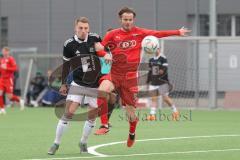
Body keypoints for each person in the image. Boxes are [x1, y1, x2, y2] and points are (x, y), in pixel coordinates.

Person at [97, 7, 191, 147]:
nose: (128, 22)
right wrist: (106, 54)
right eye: (125, 19)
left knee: (131, 114)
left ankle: (132, 133)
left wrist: (177, 32)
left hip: (130, 79)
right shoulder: (112, 34)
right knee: (102, 91)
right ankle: (104, 125)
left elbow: (158, 34)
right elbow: (99, 49)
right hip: (115, 74)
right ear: (120, 19)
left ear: (133, 20)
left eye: (130, 20)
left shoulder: (140, 33)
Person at [47, 17, 111, 155]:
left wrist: (106, 53)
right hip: (78, 83)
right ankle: (56, 143)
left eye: (86, 28)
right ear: (75, 28)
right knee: (68, 113)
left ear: (89, 28)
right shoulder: (69, 44)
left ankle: (83, 142)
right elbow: (66, 65)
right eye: (81, 28)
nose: (83, 31)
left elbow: (104, 52)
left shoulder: (95, 38)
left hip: (95, 84)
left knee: (92, 116)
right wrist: (64, 83)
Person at [146, 39, 179, 121]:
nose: (156, 50)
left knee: (165, 98)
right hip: (153, 82)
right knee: (153, 98)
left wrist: (155, 70)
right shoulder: (151, 60)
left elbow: (162, 71)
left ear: (159, 49)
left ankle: (175, 112)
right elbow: (150, 72)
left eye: (157, 48)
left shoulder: (163, 58)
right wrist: (147, 81)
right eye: (154, 49)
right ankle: (152, 115)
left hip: (162, 82)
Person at [0, 47, 24, 114]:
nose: (3, 52)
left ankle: (20, 100)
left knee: (9, 97)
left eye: (5, 51)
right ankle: (2, 109)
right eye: (3, 51)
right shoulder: (2, 60)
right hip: (2, 79)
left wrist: (7, 68)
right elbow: (1, 70)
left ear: (8, 52)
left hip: (8, 80)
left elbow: (15, 68)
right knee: (0, 93)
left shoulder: (11, 59)